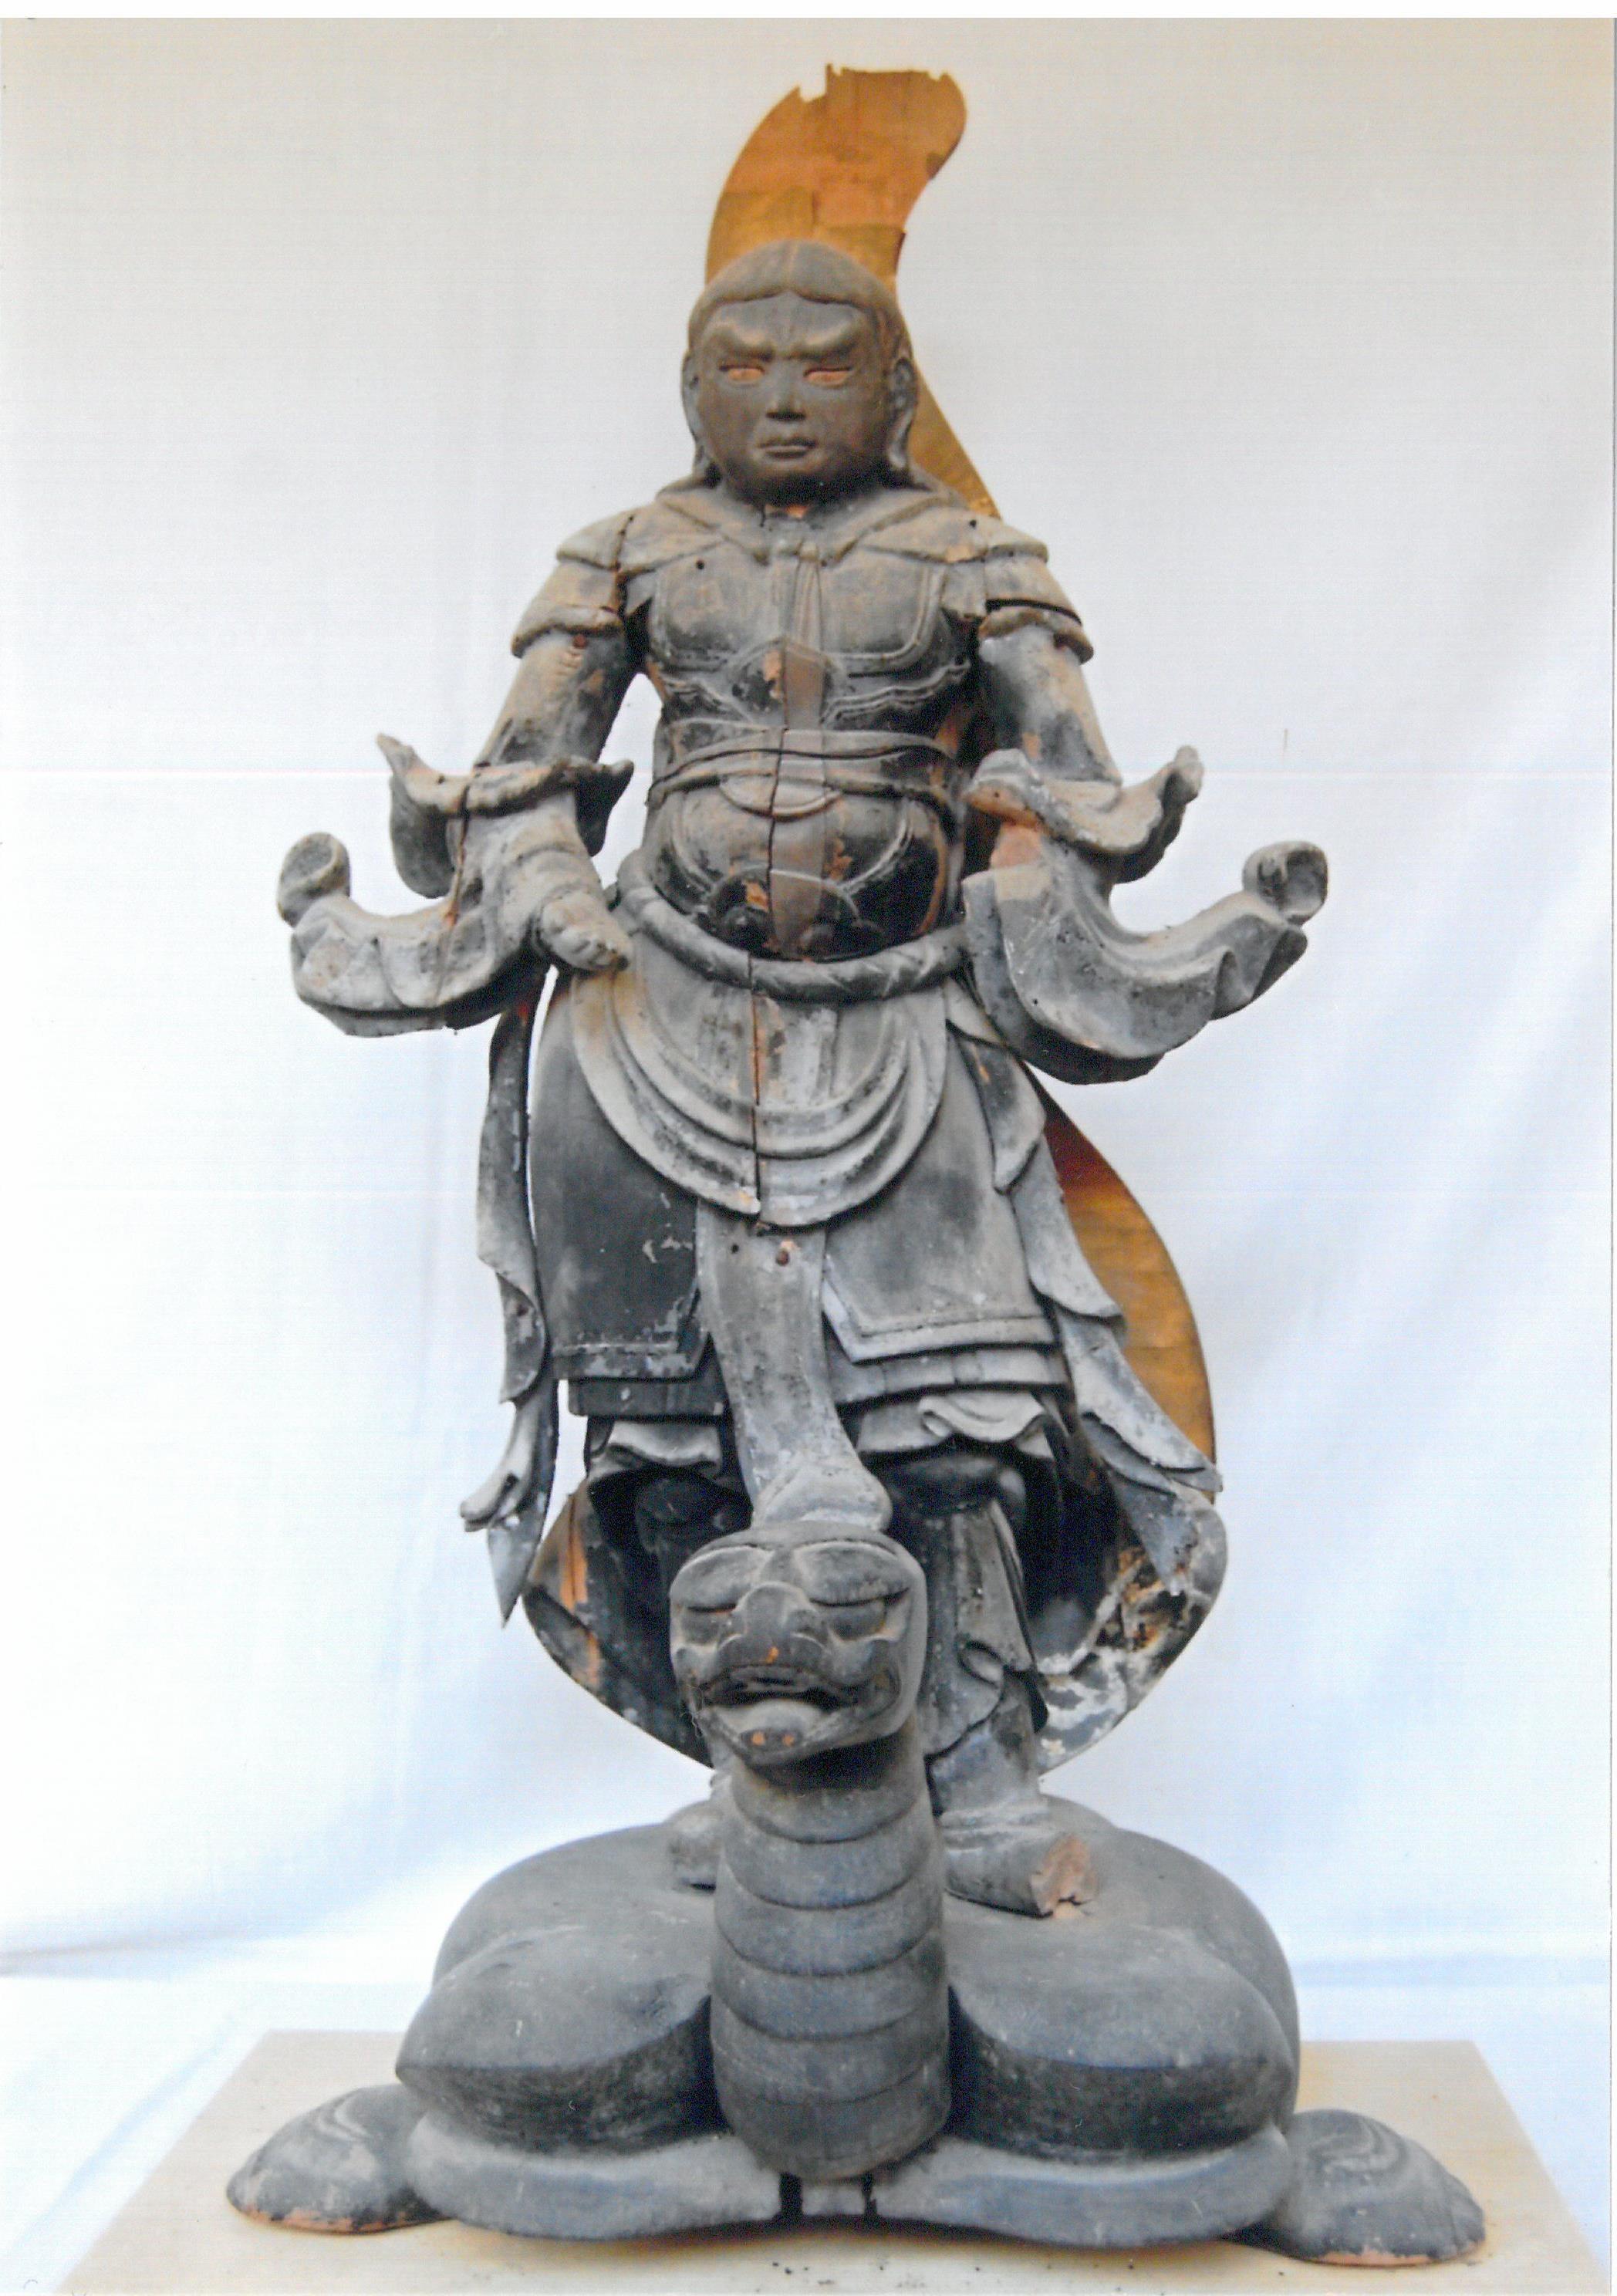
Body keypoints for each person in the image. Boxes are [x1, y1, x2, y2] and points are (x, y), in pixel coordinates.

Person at [280, 238, 1324, 1916]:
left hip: (899, 1015)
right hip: (648, 1012)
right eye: (741, 364)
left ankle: (974, 1769)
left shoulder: (970, 560)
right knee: (666, 1418)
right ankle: (751, 1761)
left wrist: (1077, 896)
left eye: (825, 364)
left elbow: (1069, 787)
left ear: (894, 392)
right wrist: (535, 872)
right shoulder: (626, 555)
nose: (780, 395)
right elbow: (520, 771)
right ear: (690, 390)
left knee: (960, 1407)